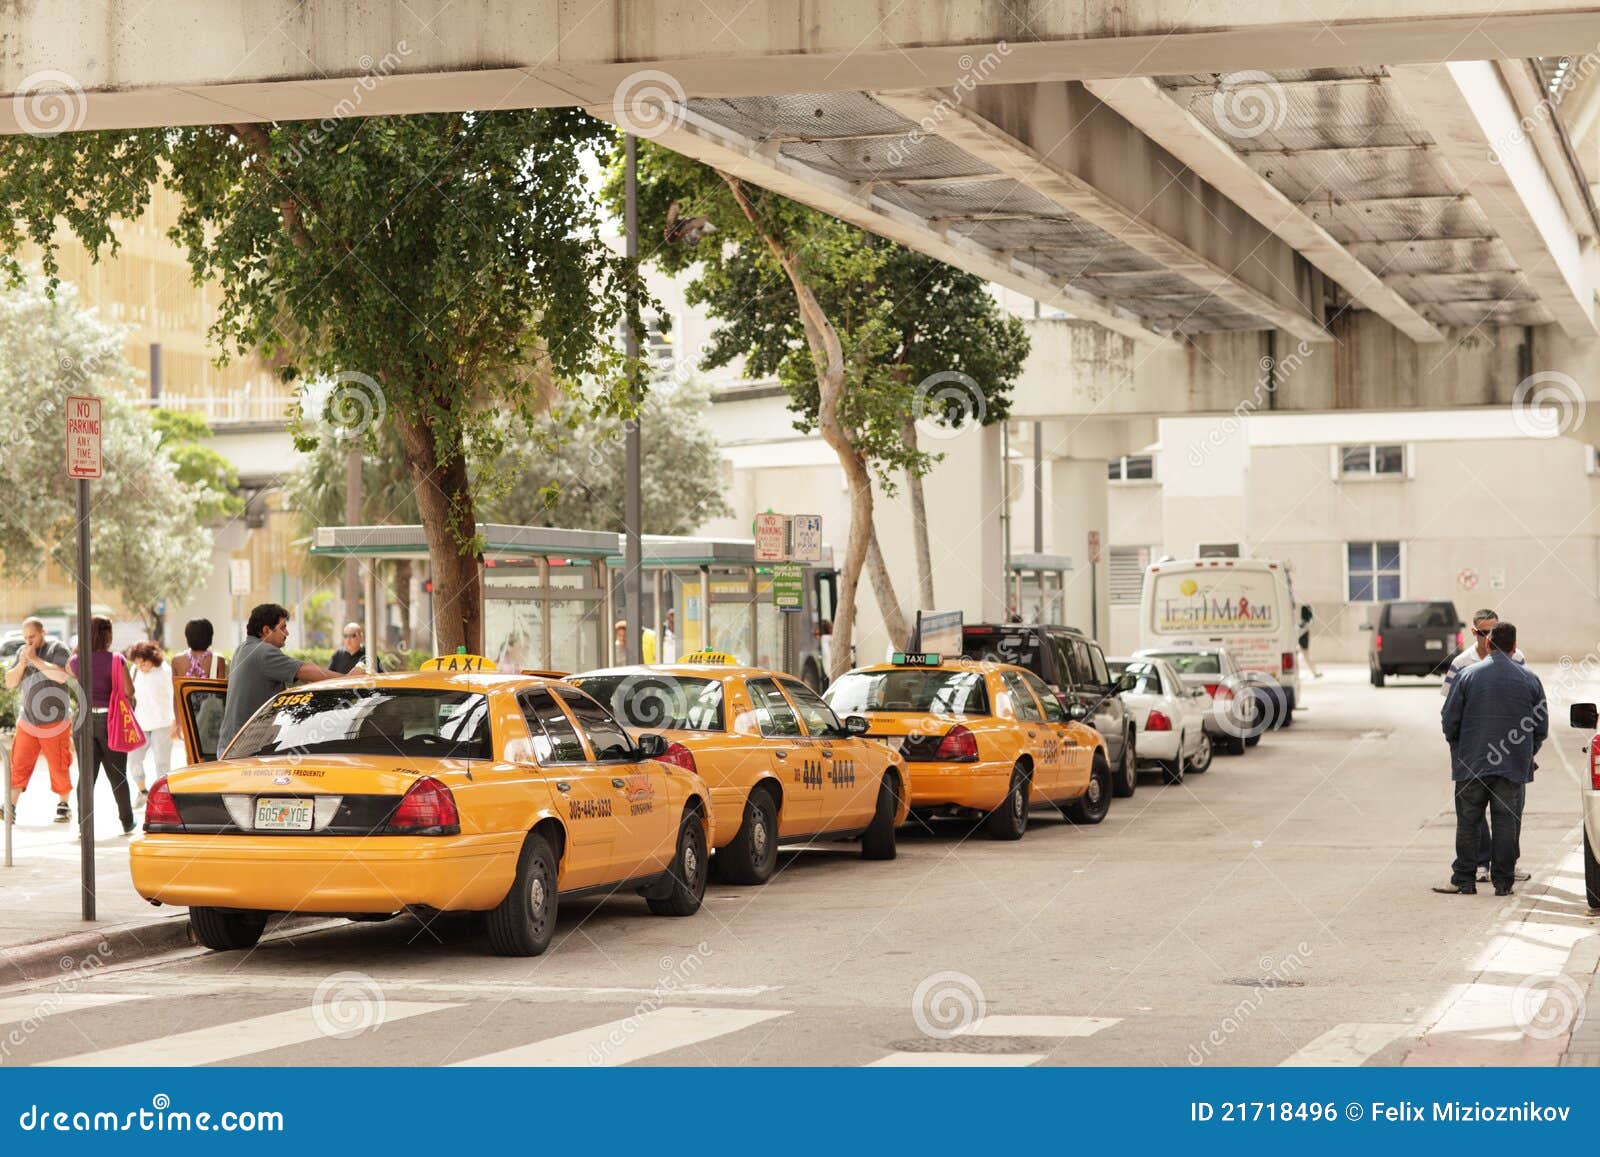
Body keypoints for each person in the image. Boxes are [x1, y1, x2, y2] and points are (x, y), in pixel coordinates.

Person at [1436, 622, 1546, 897]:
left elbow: (1449, 719)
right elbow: (1540, 728)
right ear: (1514, 646)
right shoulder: (1529, 679)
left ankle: (1464, 879)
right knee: (1506, 823)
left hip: (1471, 762)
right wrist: (1526, 753)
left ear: (1488, 643)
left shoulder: (1467, 675)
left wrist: (1459, 747)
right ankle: (1503, 883)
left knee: (1469, 821)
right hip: (1511, 766)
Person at [217, 604, 338, 750]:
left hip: (229, 747)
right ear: (266, 630)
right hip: (247, 751)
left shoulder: (242, 649)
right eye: (283, 628)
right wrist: (348, 679)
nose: (287, 633)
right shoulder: (264, 652)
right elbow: (304, 670)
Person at [67, 617, 137, 835]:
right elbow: (129, 691)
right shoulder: (116, 659)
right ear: (107, 634)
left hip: (83, 719)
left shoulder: (76, 661)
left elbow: (72, 679)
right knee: (117, 775)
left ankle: (83, 826)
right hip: (111, 721)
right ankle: (127, 822)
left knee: (86, 777)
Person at [4, 617, 75, 824]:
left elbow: (62, 677)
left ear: (42, 632)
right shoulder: (22, 652)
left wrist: (35, 660)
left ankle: (63, 805)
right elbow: (10, 682)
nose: (29, 641)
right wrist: (23, 663)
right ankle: (10, 807)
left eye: (32, 637)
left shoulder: (57, 648)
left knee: (58, 764)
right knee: (19, 764)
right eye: (25, 638)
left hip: (56, 722)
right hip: (27, 720)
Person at [125, 641, 175, 804]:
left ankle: (162, 796)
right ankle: (142, 791)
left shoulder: (165, 671)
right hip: (140, 723)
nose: (140, 666)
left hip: (163, 722)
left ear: (153, 658)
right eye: (137, 663)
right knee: (134, 758)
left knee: (162, 762)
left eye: (143, 662)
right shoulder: (134, 671)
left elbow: (175, 697)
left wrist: (176, 721)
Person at [1297, 604, 1322, 678]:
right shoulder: (1305, 623)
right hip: (1301, 643)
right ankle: (1314, 673)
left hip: (1302, 643)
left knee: (1306, 659)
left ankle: (1314, 673)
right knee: (1306, 659)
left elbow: (1299, 632)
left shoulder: (1305, 623)